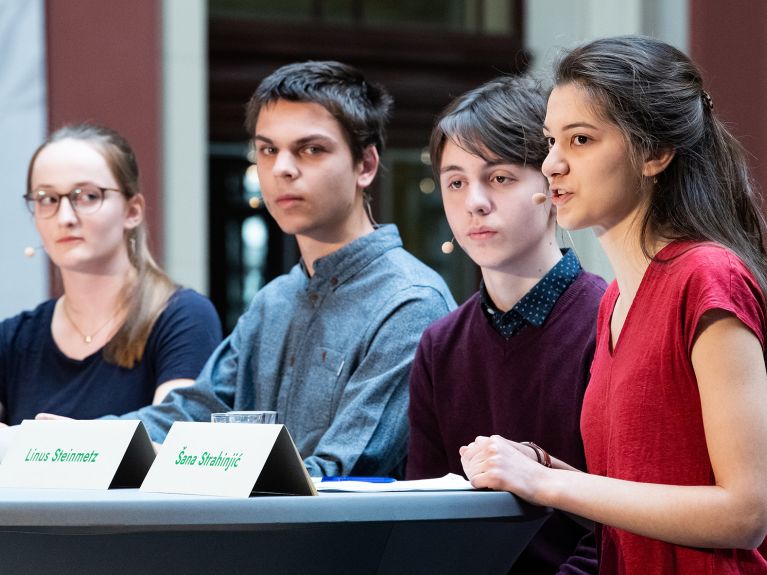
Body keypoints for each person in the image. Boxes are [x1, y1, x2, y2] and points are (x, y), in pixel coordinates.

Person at [460, 35, 767, 575]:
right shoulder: (617, 301)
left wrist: (551, 482)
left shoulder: (706, 276)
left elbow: (745, 512)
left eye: (580, 140)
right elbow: (644, 490)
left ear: (655, 153)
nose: (552, 164)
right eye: (551, 140)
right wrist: (543, 470)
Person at [94, 61, 455, 478]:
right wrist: (81, 441)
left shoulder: (410, 303)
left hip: (347, 542)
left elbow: (340, 473)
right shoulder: (275, 299)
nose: (282, 168)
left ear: (366, 165)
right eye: (268, 150)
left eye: (311, 149)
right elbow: (197, 411)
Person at [407, 75, 605, 574]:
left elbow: (620, 527)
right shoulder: (440, 345)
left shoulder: (608, 321)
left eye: (499, 177)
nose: (474, 201)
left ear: (551, 184)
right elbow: (424, 516)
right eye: (455, 182)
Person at [0, 123, 222, 426]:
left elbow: (175, 437)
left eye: (88, 196)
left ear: (132, 211)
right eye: (47, 199)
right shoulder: (13, 339)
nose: (65, 217)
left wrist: (77, 443)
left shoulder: (183, 316)